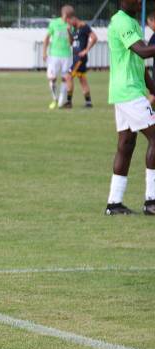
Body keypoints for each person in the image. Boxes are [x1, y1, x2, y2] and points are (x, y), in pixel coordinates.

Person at [105, 0, 155, 215]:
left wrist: (153, 89)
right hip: (128, 92)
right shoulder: (121, 22)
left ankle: (114, 203)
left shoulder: (132, 22)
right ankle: (152, 201)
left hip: (127, 91)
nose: (140, 1)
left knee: (126, 144)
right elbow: (144, 53)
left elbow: (139, 62)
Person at [43, 5, 74, 109]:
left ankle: (61, 101)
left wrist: (69, 31)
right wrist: (44, 52)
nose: (68, 18)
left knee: (65, 78)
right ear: (63, 14)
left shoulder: (70, 25)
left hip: (66, 55)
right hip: (54, 55)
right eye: (67, 16)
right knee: (52, 78)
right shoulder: (54, 23)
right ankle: (54, 98)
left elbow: (71, 43)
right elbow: (47, 38)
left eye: (70, 17)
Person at [67, 14, 97, 108]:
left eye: (69, 22)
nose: (69, 24)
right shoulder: (74, 29)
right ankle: (88, 102)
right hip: (76, 58)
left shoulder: (85, 27)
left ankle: (68, 102)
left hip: (80, 59)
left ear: (74, 19)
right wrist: (69, 32)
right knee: (82, 80)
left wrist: (86, 50)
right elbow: (71, 43)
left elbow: (94, 38)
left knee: (68, 76)